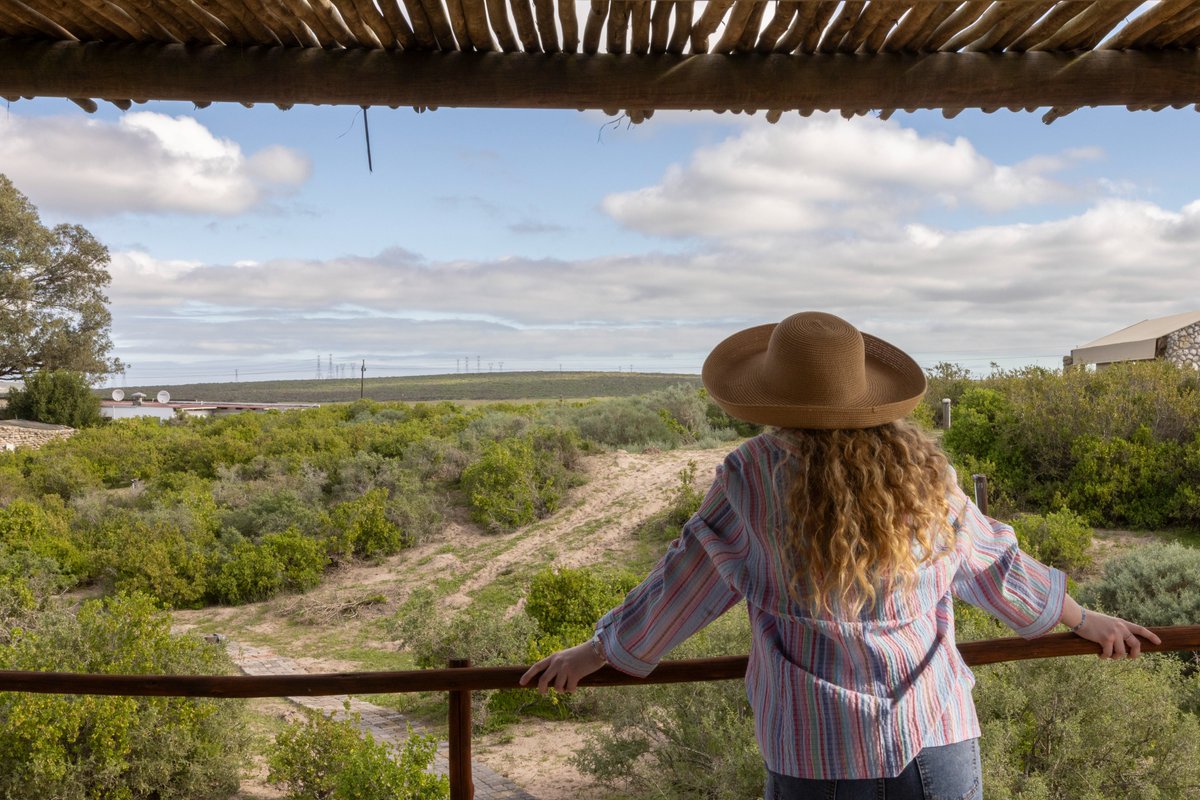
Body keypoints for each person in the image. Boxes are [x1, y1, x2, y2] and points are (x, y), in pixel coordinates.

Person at [520, 311, 1162, 799]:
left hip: (814, 749)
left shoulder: (752, 476)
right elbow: (994, 563)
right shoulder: (924, 475)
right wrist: (1083, 619)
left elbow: (687, 579)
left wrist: (599, 650)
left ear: (771, 397)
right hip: (936, 736)